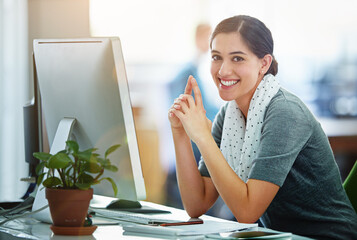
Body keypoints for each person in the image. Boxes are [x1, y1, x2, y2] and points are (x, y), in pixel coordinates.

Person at [168, 15, 357, 240]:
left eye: (237, 58)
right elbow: (196, 203)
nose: (222, 71)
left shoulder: (284, 113)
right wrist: (181, 131)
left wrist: (203, 137)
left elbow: (247, 212)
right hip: (280, 236)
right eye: (216, 57)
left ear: (264, 64)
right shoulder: (229, 115)